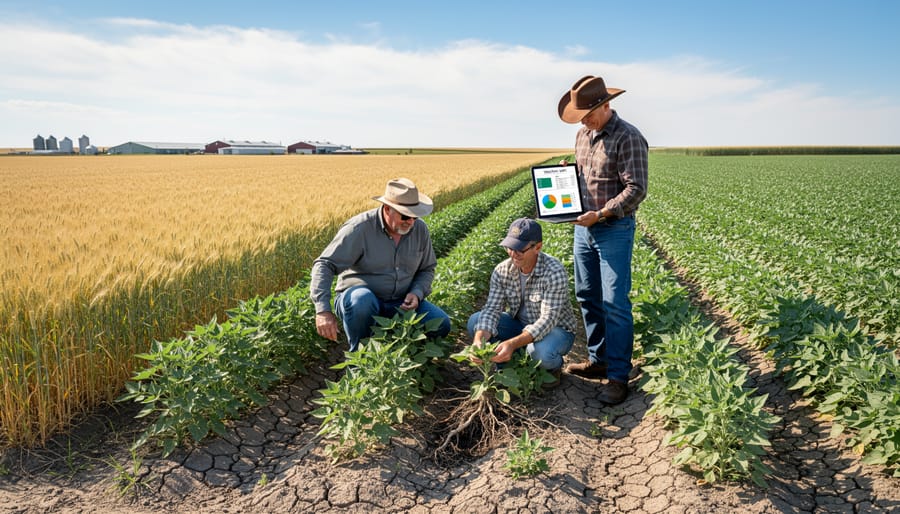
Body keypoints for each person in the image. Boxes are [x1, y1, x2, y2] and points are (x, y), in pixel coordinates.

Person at [557, 75, 648, 405]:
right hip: (584, 229)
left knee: (615, 303)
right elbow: (586, 176)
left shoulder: (628, 137)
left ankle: (619, 376)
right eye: (580, 115)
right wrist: (568, 178)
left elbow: (636, 189)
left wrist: (603, 213)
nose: (583, 120)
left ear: (606, 105)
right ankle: (599, 361)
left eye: (588, 113)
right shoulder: (583, 135)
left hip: (613, 230)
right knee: (587, 295)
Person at [310, 177, 452, 352]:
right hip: (361, 301)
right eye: (405, 216)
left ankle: (406, 357)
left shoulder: (420, 230)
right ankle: (360, 358)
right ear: (387, 209)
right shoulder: (360, 228)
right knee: (361, 301)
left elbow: (427, 268)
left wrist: (417, 292)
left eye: (415, 216)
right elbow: (324, 264)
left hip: (400, 302)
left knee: (441, 324)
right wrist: (323, 310)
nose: (411, 222)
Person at [467, 218, 578, 388]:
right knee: (476, 322)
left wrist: (512, 343)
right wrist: (479, 341)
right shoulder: (502, 270)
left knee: (540, 353)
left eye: (520, 249)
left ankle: (552, 368)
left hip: (556, 330)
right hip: (520, 324)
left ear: (537, 247)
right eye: (510, 248)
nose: (513, 254)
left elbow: (548, 319)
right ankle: (508, 360)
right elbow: (492, 309)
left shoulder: (554, 271)